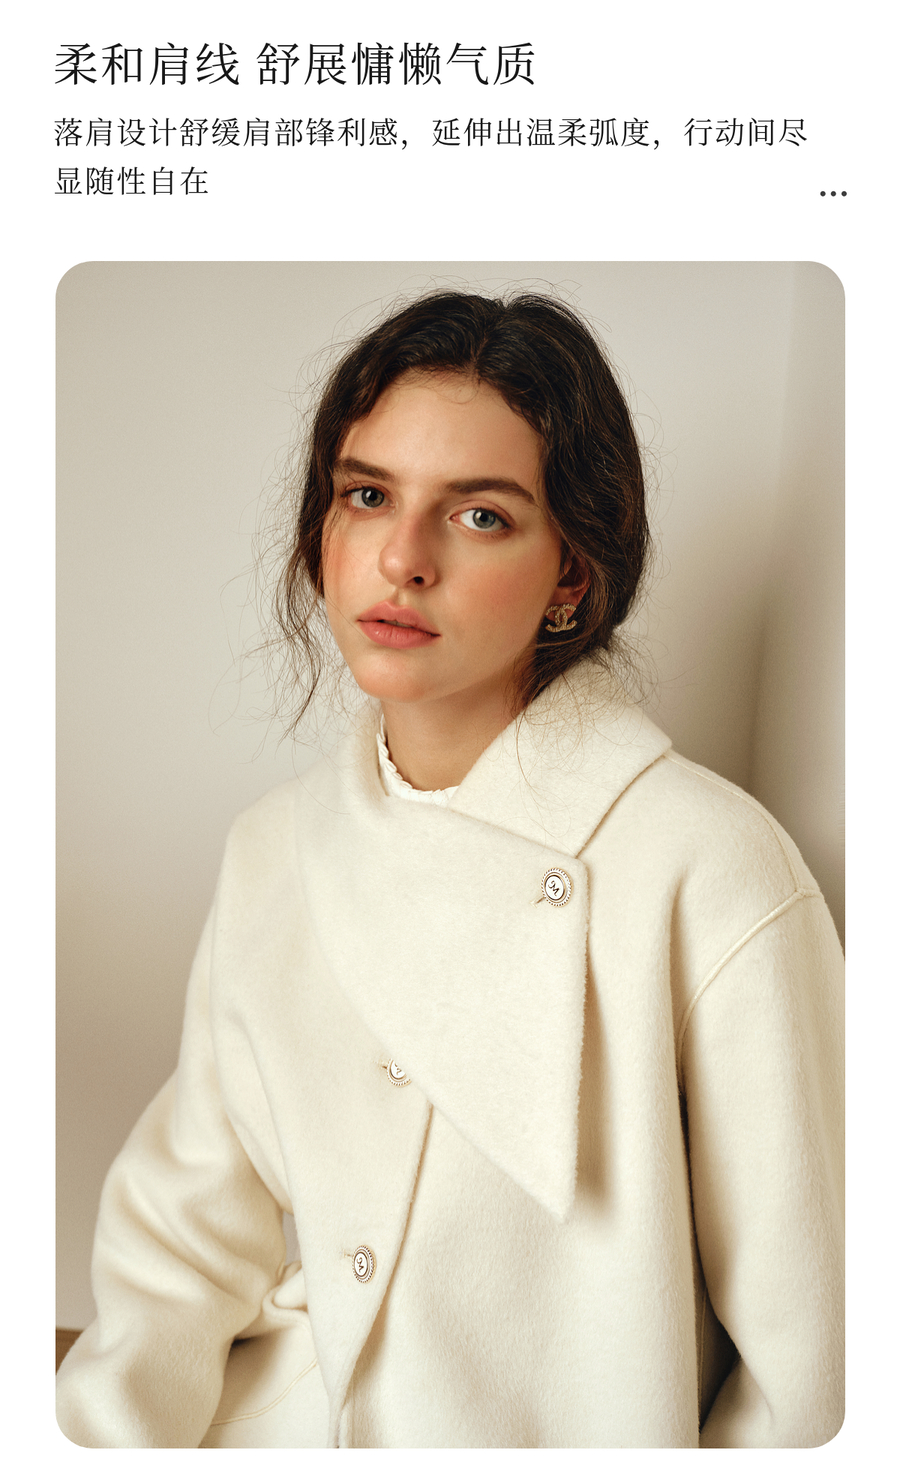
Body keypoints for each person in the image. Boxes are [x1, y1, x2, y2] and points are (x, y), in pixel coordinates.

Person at [56, 291, 844, 1448]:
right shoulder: (274, 849)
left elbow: (816, 1368)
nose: (401, 559)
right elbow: (180, 1243)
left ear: (572, 573)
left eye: (479, 515)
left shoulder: (711, 869)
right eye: (367, 495)